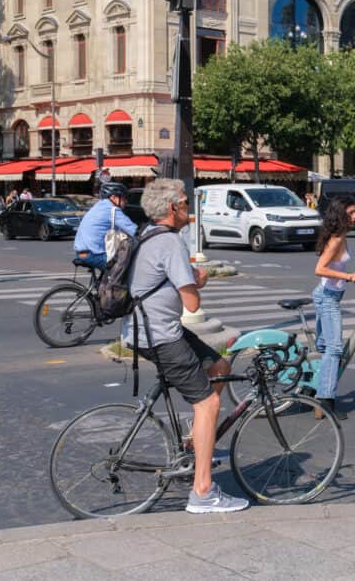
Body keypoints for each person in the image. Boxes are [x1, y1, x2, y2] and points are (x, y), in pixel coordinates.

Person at [122, 178, 248, 514]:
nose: (187, 208)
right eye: (183, 202)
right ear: (171, 209)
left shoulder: (148, 234)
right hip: (159, 335)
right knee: (207, 404)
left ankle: (196, 444)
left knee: (219, 367)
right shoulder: (170, 242)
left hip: (148, 328)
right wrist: (199, 281)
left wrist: (190, 277)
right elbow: (191, 303)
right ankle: (203, 492)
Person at [312, 196, 355, 420]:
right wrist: (349, 276)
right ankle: (325, 400)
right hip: (327, 298)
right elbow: (320, 268)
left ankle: (313, 389)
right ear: (341, 214)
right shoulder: (336, 239)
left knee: (326, 348)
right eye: (351, 213)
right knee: (334, 349)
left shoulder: (342, 235)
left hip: (328, 295)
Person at [73, 182, 139, 270]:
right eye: (123, 198)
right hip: (94, 255)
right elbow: (134, 230)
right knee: (126, 269)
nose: (126, 202)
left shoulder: (98, 206)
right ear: (114, 198)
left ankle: (104, 283)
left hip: (82, 252)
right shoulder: (112, 209)